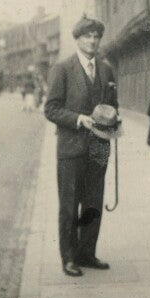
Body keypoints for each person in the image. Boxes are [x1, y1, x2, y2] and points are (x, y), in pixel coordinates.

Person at [44, 15, 118, 277]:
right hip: (71, 148)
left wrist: (114, 120)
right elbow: (51, 109)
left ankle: (87, 253)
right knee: (69, 204)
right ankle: (69, 258)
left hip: (99, 147)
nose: (93, 40)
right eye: (87, 36)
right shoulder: (62, 69)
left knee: (93, 204)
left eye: (96, 36)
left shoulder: (106, 69)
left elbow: (112, 104)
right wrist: (77, 119)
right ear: (77, 39)